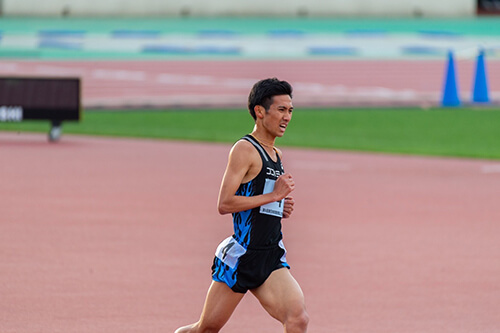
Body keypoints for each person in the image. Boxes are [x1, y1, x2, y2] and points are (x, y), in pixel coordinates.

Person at [174, 78, 309, 333]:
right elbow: (225, 203)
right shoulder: (245, 149)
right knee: (206, 329)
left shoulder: (276, 154)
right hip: (243, 255)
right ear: (260, 111)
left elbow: (258, 198)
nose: (287, 117)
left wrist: (280, 206)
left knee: (298, 318)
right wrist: (273, 196)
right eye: (281, 110)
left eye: (290, 110)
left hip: (270, 255)